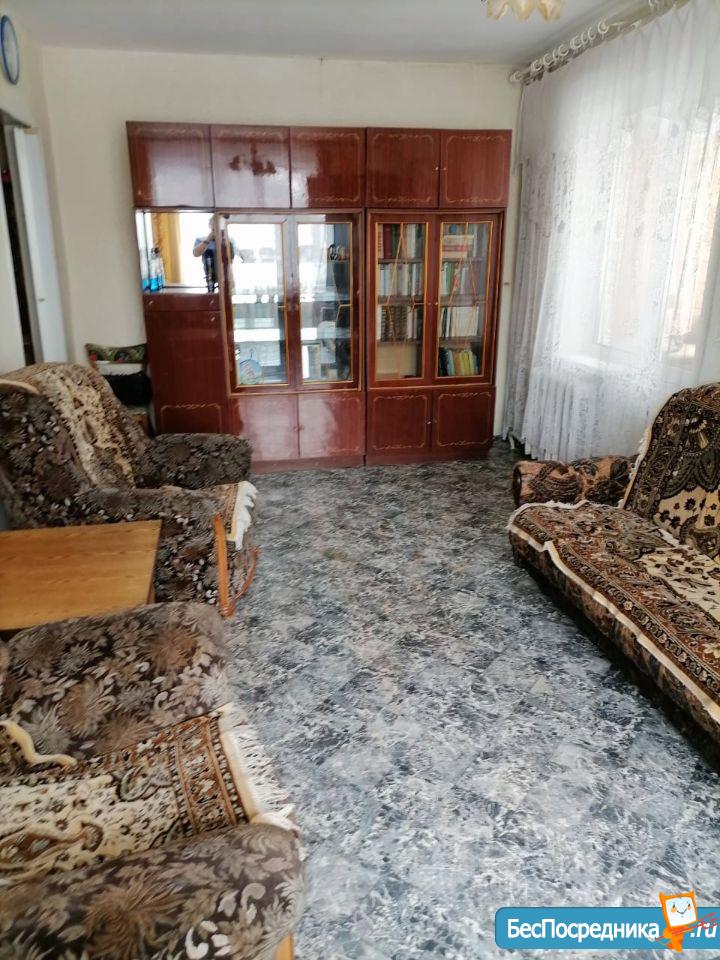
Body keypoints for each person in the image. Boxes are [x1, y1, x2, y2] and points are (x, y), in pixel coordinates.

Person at [193, 217, 235, 292]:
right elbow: (196, 254)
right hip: (208, 278)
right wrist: (208, 240)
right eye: (213, 224)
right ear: (210, 225)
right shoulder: (201, 240)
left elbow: (232, 260)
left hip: (226, 278)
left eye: (219, 224)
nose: (216, 227)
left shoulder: (229, 241)